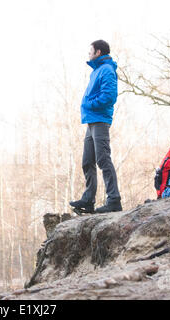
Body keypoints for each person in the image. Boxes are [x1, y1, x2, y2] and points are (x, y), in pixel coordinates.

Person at [69, 40, 122, 214]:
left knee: (103, 159)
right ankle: (88, 200)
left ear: (98, 52)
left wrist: (90, 103)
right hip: (91, 121)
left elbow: (109, 96)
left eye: (90, 51)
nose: (88, 54)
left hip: (99, 119)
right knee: (87, 161)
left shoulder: (106, 70)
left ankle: (114, 199)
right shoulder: (97, 71)